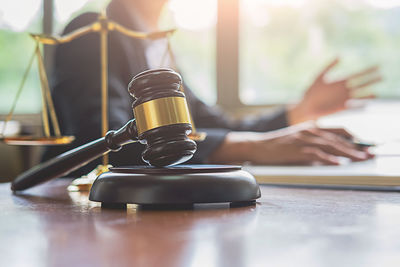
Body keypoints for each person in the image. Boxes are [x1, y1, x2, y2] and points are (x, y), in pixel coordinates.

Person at [43, 0, 380, 175]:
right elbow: (107, 141)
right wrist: (254, 147)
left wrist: (299, 112)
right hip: (77, 213)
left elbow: (216, 126)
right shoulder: (91, 30)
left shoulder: (158, 46)